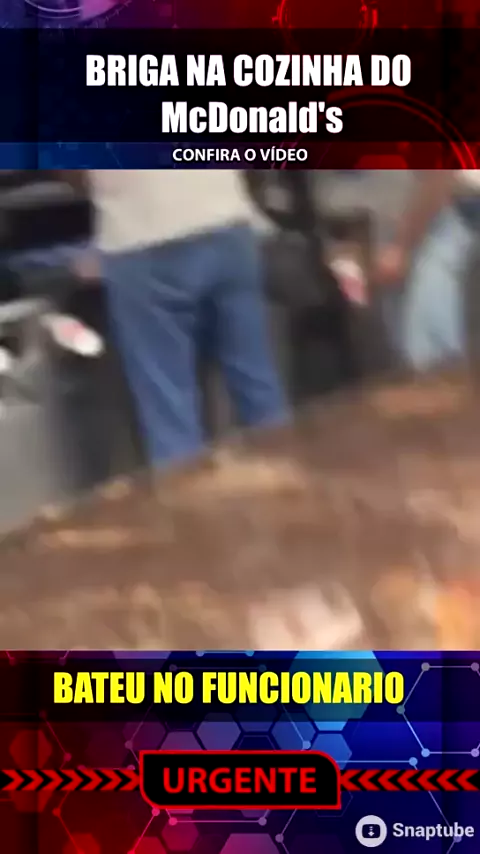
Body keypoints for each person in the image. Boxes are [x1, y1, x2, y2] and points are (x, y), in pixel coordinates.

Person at [85, 170, 288, 467]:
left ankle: (188, 494)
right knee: (258, 387)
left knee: (170, 412)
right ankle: (291, 482)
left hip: (141, 237)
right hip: (227, 222)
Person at [372, 170, 480, 371]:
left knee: (433, 355)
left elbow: (438, 175)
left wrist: (400, 247)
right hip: (461, 219)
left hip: (463, 223)